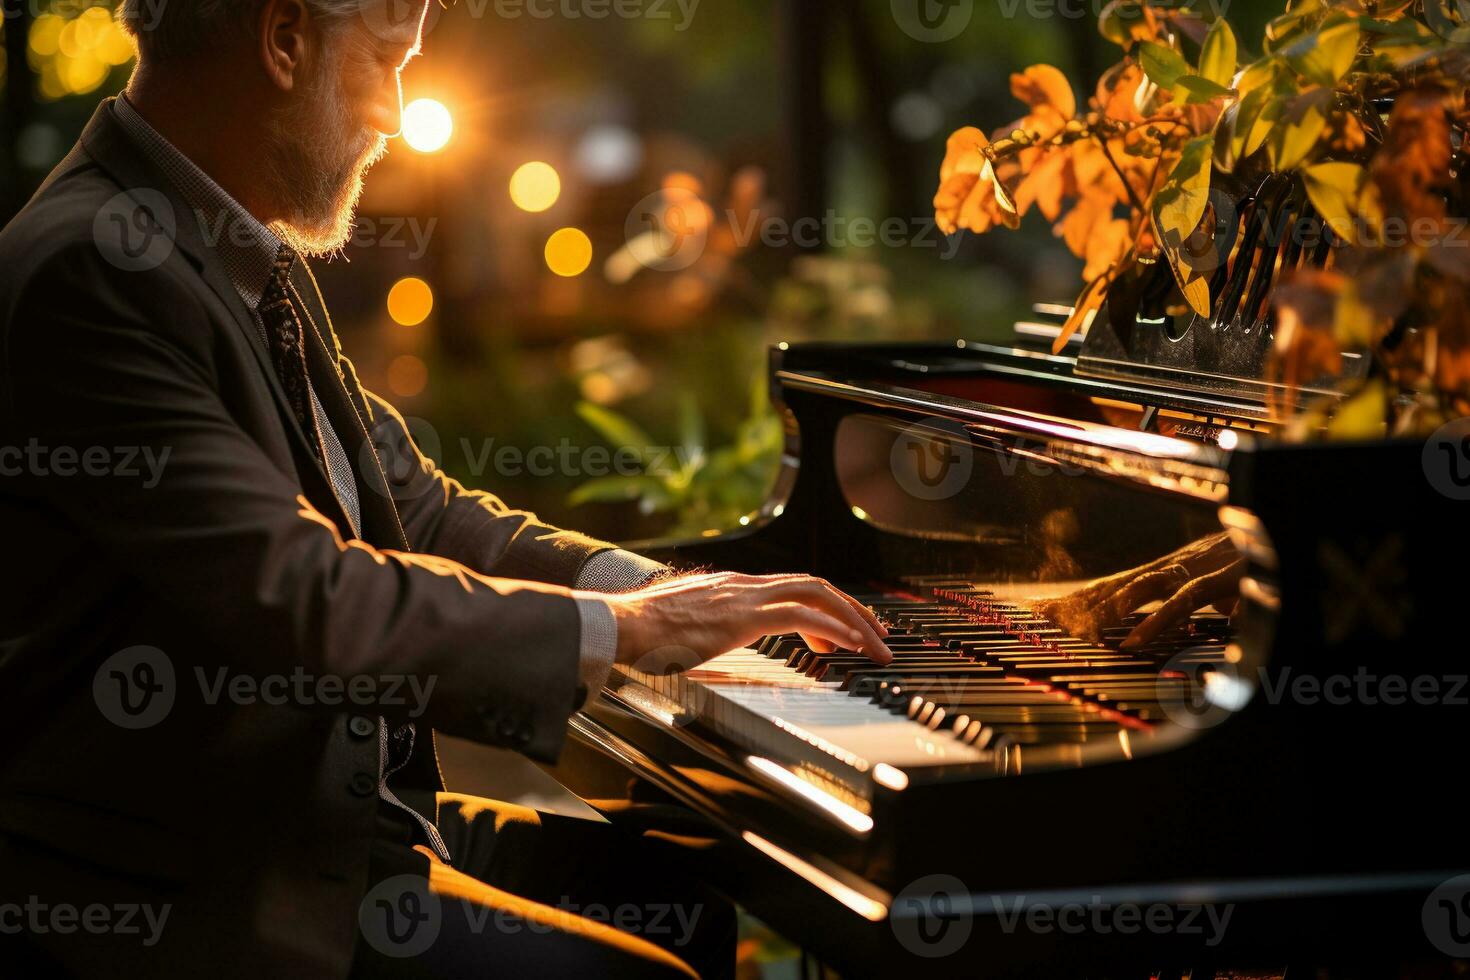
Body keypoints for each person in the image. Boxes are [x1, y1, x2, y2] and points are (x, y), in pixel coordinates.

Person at [0, 1, 893, 976]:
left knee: (687, 892)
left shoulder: (231, 243)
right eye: (384, 61)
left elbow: (415, 505)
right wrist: (627, 635)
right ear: (285, 37)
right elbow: (306, 595)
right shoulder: (94, 265)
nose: (392, 112)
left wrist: (646, 589)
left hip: (333, 823)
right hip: (204, 876)